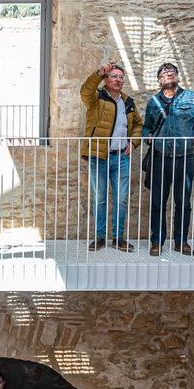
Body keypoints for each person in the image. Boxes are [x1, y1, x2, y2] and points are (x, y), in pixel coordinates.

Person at [142, 62, 194, 256]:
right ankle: (157, 242)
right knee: (158, 202)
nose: (168, 74)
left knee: (183, 202)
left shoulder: (192, 98)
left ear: (177, 76)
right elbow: (146, 126)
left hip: (184, 158)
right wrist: (147, 136)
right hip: (159, 158)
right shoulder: (153, 102)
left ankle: (181, 241)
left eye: (171, 72)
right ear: (159, 80)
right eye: (164, 73)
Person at [80, 60, 142, 252]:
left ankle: (118, 238)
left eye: (121, 77)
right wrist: (98, 72)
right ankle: (100, 237)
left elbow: (139, 125)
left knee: (121, 199)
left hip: (121, 158)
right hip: (99, 156)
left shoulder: (128, 103)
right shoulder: (96, 98)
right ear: (106, 79)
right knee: (100, 199)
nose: (118, 80)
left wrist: (133, 142)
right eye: (113, 76)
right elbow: (85, 91)